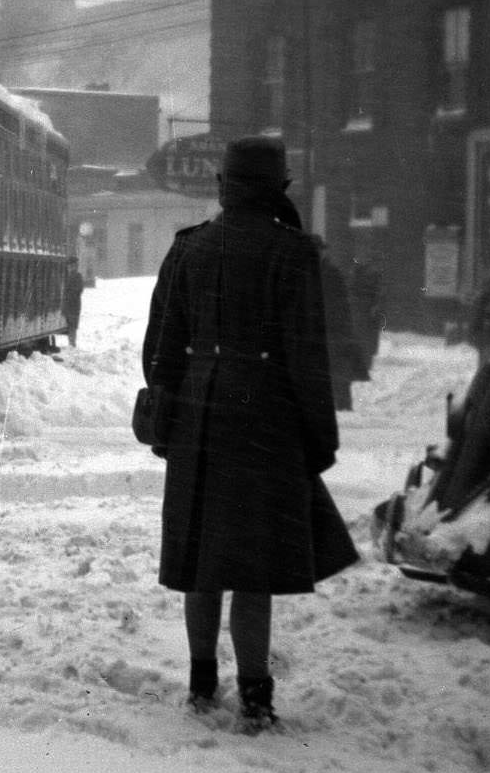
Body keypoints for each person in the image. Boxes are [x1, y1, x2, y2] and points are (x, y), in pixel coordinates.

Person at [140, 136, 359, 731]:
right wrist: (318, 439)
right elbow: (308, 360)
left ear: (223, 186)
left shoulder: (188, 249)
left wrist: (169, 416)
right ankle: (256, 699)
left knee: (199, 561)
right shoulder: (292, 255)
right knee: (251, 570)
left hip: (197, 414)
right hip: (263, 418)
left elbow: (160, 349)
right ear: (278, 189)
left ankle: (202, 685)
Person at [311, 236, 367, 412]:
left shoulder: (332, 274)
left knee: (338, 376)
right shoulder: (303, 274)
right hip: (312, 333)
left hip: (334, 332)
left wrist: (342, 330)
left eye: (317, 251)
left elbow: (342, 305)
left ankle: (344, 410)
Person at [61, 255, 89, 348]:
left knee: (72, 327)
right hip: (68, 306)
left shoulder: (77, 276)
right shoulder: (68, 276)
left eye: (71, 265)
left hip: (73, 306)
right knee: (70, 327)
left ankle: (72, 345)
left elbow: (78, 290)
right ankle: (71, 344)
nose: (70, 268)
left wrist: (68, 296)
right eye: (69, 266)